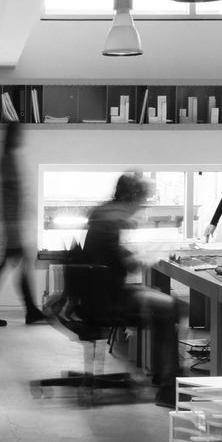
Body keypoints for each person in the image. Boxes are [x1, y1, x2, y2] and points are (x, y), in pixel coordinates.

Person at [81, 173, 180, 407]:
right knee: (171, 306)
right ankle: (168, 386)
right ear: (132, 199)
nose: (140, 208)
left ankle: (161, 375)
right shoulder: (114, 220)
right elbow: (125, 263)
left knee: (158, 298)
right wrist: (147, 256)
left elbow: (109, 254)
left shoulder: (102, 214)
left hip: (94, 297)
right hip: (109, 301)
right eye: (141, 202)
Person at [0, 121, 46, 327]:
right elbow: (9, 196)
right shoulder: (7, 159)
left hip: (11, 223)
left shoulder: (7, 157)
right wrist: (13, 227)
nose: (22, 137)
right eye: (19, 134)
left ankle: (26, 310)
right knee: (14, 265)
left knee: (9, 266)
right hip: (11, 224)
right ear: (12, 135)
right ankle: (24, 311)